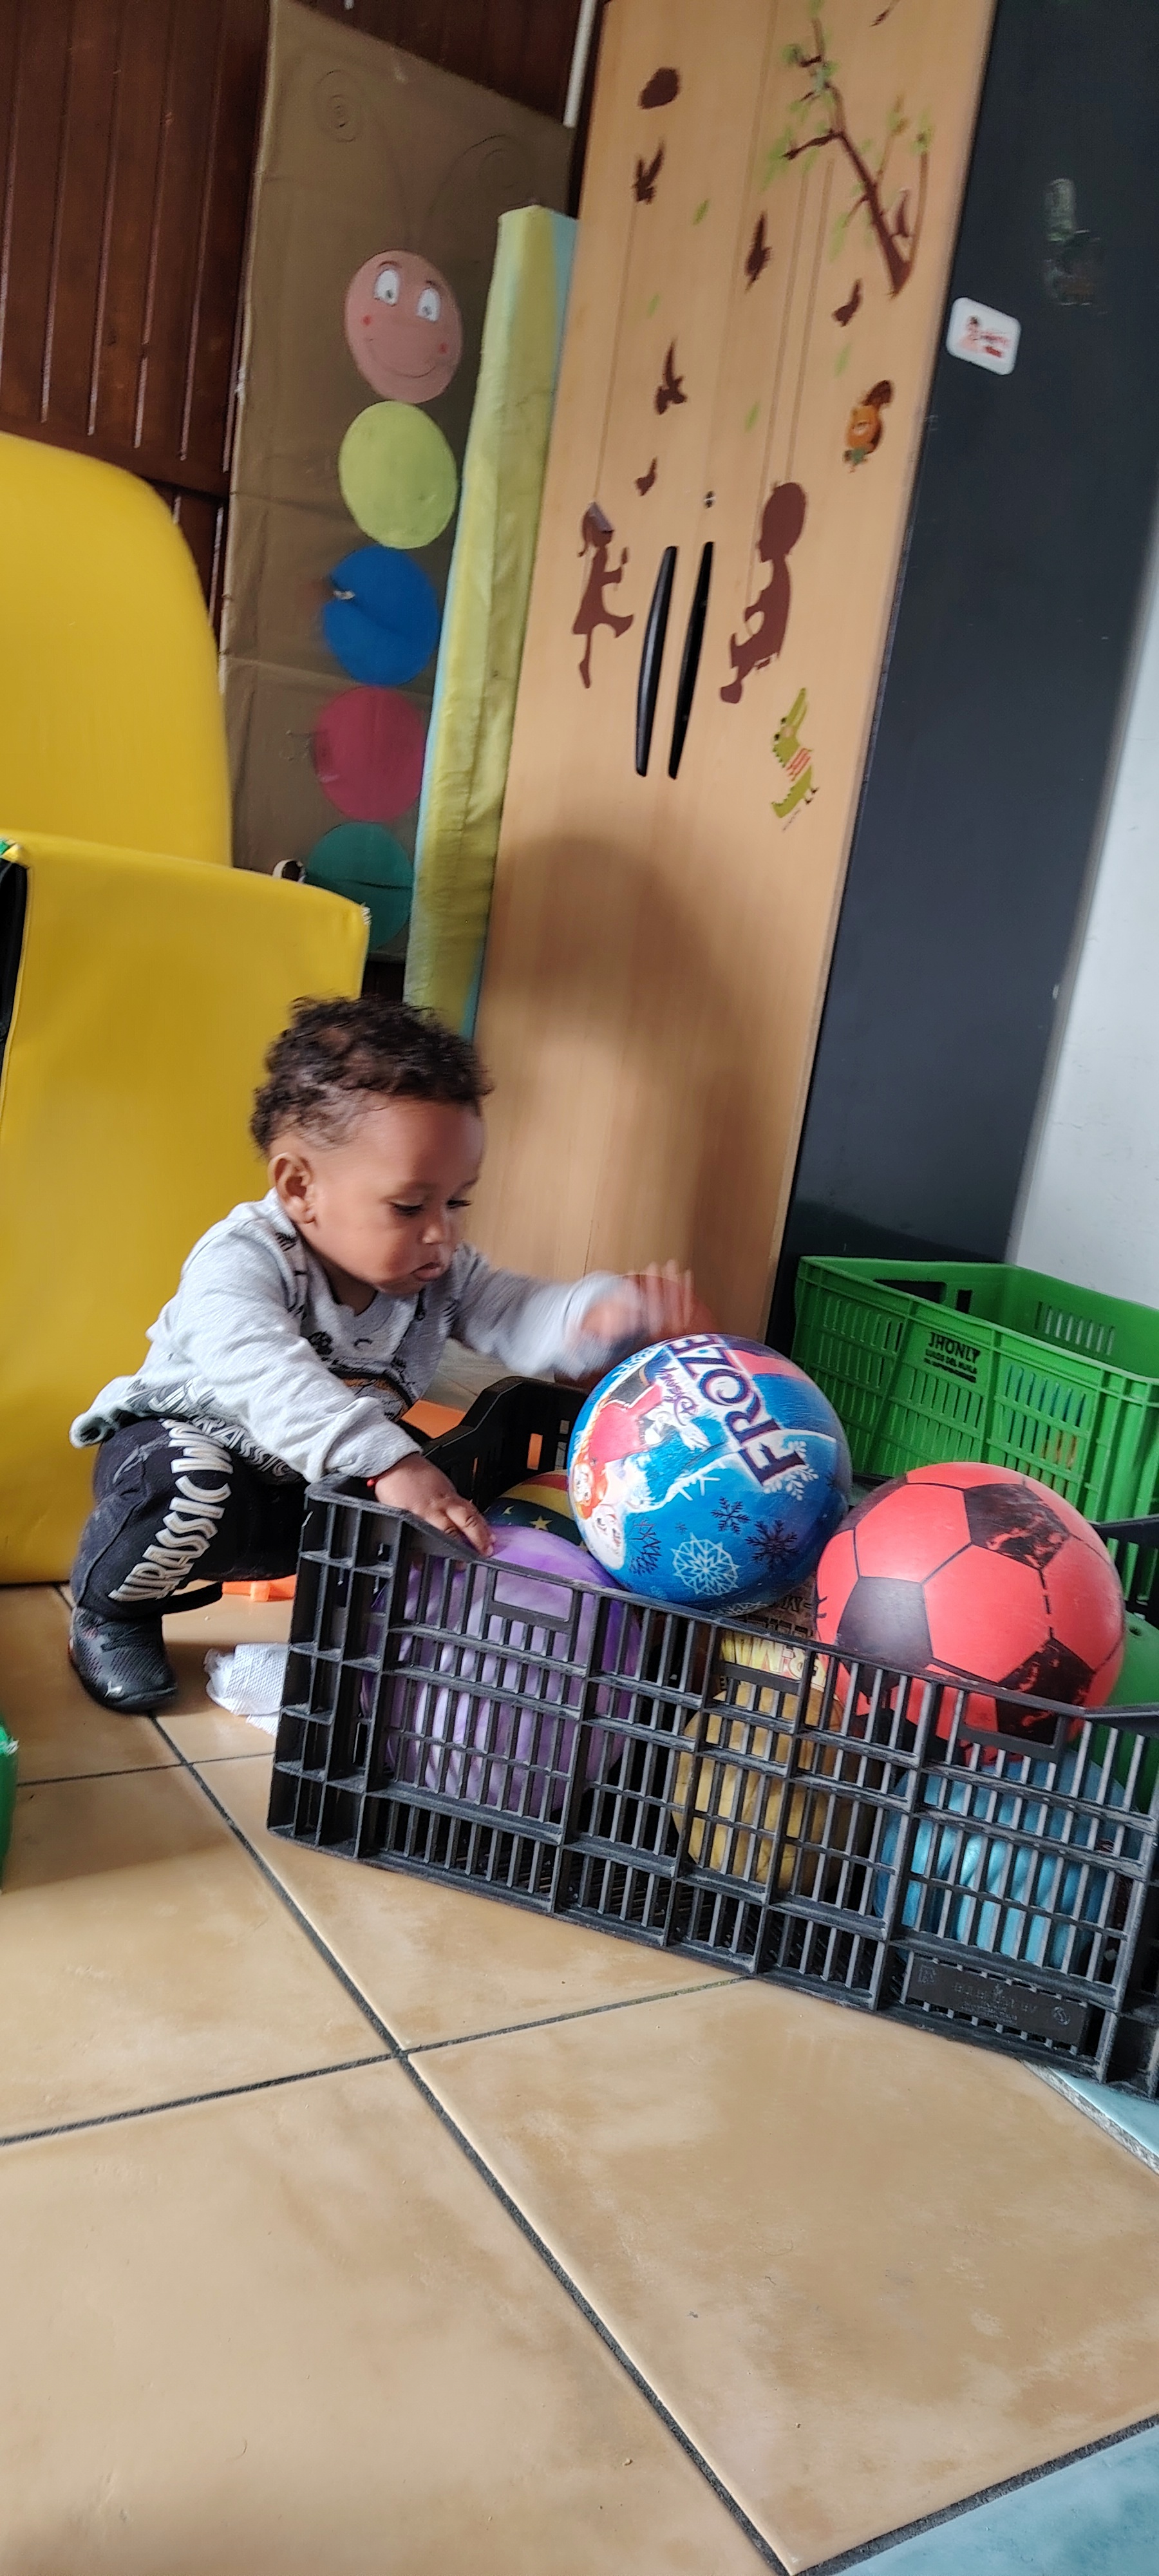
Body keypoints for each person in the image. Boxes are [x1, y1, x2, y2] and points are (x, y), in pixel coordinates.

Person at [68, 997, 708, 1714]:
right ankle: (108, 1612)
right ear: (300, 1188)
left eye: (457, 1203)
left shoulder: (436, 1272)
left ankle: (365, 1636)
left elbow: (514, 1308)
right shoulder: (242, 1259)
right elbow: (265, 1371)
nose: (441, 1234)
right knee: (194, 1480)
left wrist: (599, 1312)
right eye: (409, 1207)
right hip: (183, 1451)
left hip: (307, 1485)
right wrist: (389, 1463)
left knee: (424, 1500)